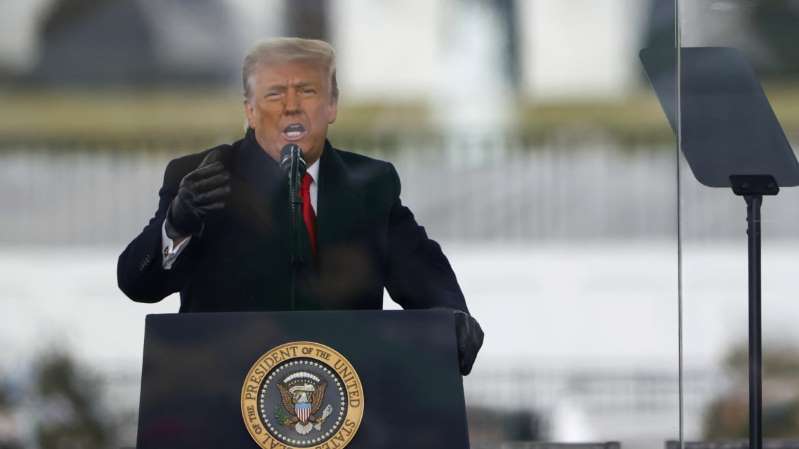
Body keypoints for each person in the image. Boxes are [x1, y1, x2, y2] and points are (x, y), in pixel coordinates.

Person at [116, 37, 483, 375]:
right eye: (275, 94)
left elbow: (421, 268)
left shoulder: (371, 184)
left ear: (332, 105)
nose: (291, 106)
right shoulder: (200, 177)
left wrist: (451, 315)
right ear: (250, 110)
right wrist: (176, 226)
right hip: (223, 394)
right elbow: (137, 283)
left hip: (347, 399)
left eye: (307, 91)